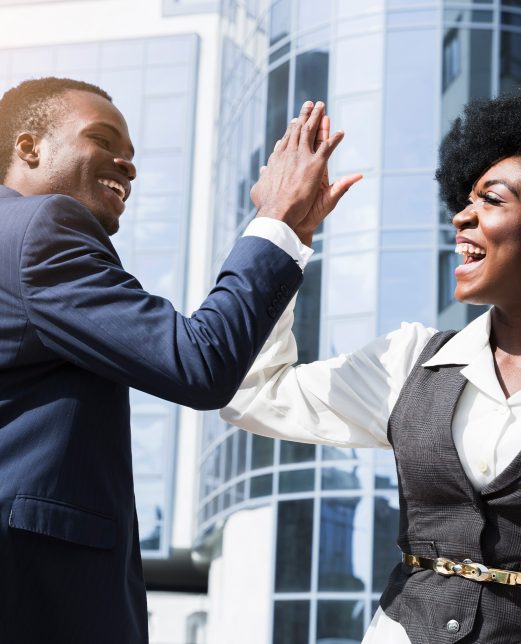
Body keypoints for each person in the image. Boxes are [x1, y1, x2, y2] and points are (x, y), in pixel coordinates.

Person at [0, 77, 360, 643]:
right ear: (29, 148)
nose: (128, 164)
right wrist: (280, 222)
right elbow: (200, 362)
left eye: (134, 153)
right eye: (103, 139)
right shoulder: (40, 228)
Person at [222, 93, 521, 644]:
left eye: (492, 200)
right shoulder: (411, 361)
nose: (461, 215)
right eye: (466, 197)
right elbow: (251, 392)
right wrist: (283, 230)